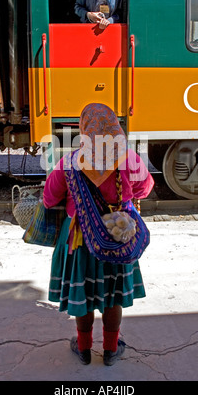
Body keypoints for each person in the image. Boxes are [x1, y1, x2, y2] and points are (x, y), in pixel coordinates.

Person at [43, 103, 154, 365]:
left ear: (84, 129)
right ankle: (111, 349)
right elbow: (145, 188)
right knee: (111, 297)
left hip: (80, 241)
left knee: (84, 295)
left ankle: (83, 348)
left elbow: (49, 199)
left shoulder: (69, 162)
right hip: (118, 237)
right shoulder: (128, 158)